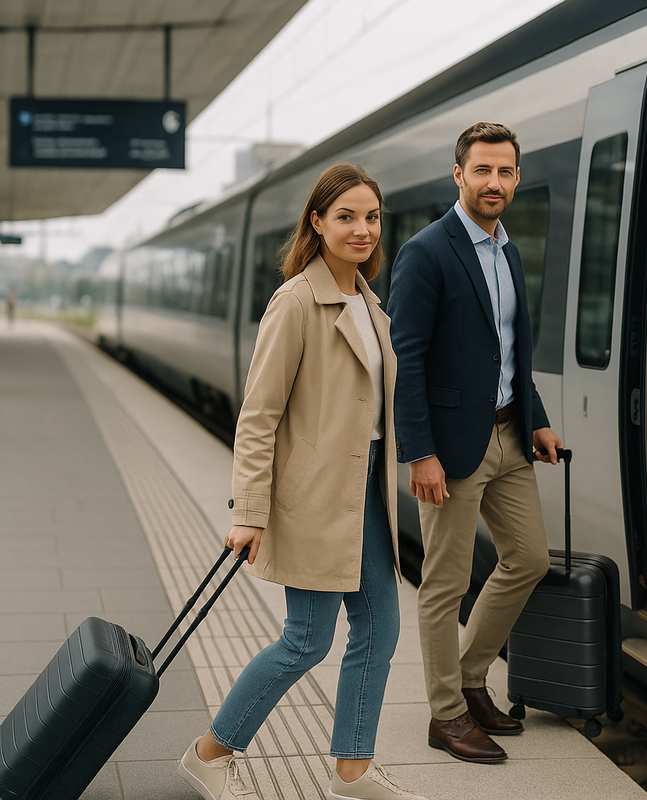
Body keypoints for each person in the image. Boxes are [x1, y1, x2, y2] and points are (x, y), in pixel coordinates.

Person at [177, 164, 428, 800]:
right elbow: (258, 417)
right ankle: (210, 754)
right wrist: (248, 511)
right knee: (307, 640)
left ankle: (352, 769)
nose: (362, 229)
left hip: (364, 494)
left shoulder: (371, 306)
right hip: (313, 496)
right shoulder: (295, 303)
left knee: (379, 627)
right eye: (346, 216)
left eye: (371, 217)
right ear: (316, 222)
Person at [387, 122, 562, 764]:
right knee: (445, 581)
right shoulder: (426, 252)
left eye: (506, 172)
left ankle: (468, 677)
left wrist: (536, 416)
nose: (495, 183)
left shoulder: (508, 249)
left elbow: (508, 351)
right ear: (457, 175)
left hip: (508, 435)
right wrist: (419, 452)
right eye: (482, 170)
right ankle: (446, 714)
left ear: (517, 177)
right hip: (452, 446)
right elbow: (407, 358)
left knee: (528, 559)